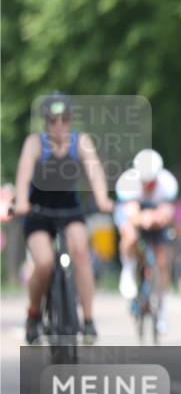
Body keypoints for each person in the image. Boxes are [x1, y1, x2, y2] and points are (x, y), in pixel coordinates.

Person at [12, 93, 114, 344]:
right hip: (39, 212)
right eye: (53, 120)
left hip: (70, 210)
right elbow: (24, 175)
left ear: (70, 120)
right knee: (44, 262)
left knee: (81, 253)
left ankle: (88, 321)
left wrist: (102, 198)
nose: (59, 125)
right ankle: (34, 313)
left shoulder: (81, 142)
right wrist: (22, 202)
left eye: (64, 119)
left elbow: (95, 172)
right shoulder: (35, 143)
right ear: (46, 122)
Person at [115, 148, 178, 334]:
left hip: (157, 218)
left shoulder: (167, 183)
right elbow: (130, 213)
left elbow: (168, 212)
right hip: (135, 215)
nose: (148, 185)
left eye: (152, 181)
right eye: (145, 181)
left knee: (163, 260)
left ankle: (162, 310)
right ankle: (128, 269)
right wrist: (143, 218)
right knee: (129, 235)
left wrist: (157, 217)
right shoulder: (128, 183)